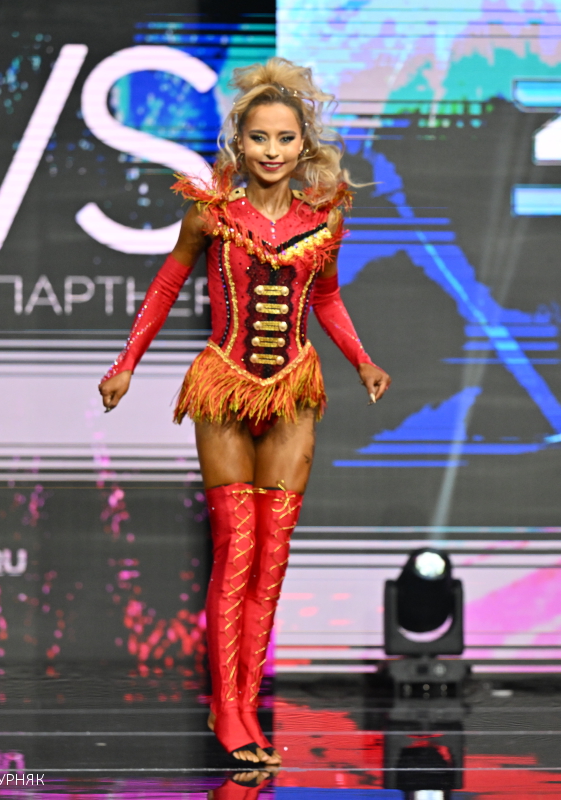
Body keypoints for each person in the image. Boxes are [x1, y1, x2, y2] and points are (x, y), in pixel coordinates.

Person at [98, 57, 390, 765]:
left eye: (285, 138)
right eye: (259, 137)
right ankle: (226, 709)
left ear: (304, 144)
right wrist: (126, 363)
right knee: (234, 551)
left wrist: (362, 359)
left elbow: (326, 298)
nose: (271, 151)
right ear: (240, 141)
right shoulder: (211, 214)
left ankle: (247, 704)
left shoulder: (325, 220)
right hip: (224, 387)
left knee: (271, 557)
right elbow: (166, 284)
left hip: (292, 389)